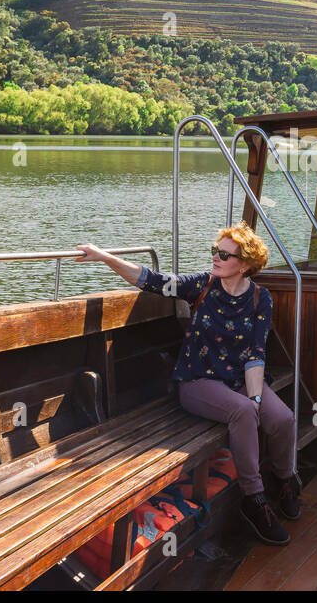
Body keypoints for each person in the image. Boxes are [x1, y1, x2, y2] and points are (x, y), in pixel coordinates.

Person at [74, 222, 299, 547]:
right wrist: (104, 256)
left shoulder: (260, 299)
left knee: (283, 419)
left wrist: (256, 397)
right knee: (242, 413)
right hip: (199, 382)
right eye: (215, 250)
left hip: (241, 380)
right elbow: (150, 280)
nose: (216, 257)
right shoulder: (203, 286)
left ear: (246, 264)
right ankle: (254, 499)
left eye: (225, 254)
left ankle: (286, 478)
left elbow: (256, 355)